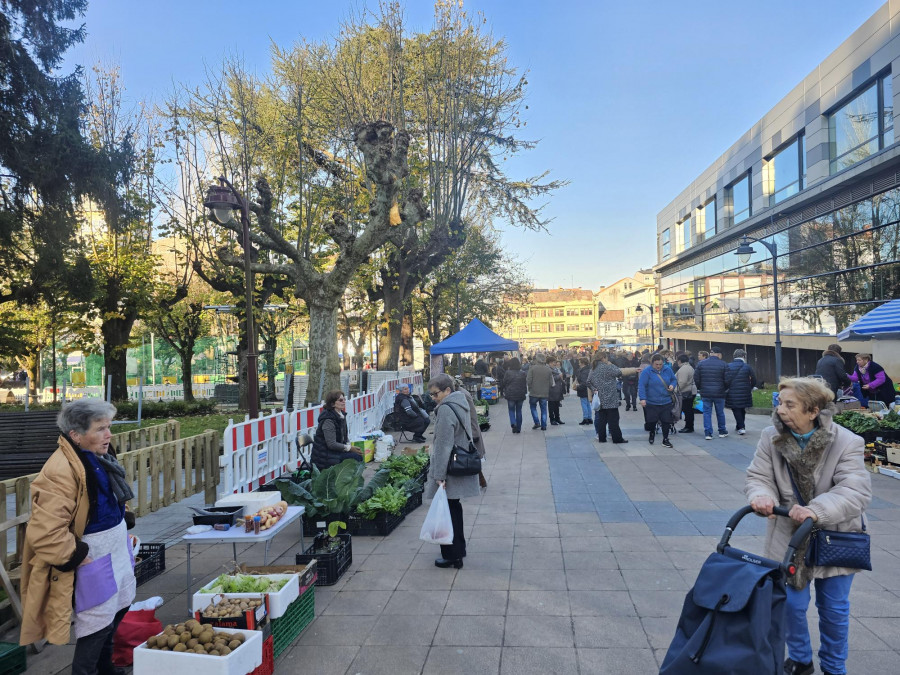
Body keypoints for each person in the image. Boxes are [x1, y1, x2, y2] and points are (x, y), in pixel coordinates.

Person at [746, 377, 871, 675]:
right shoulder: (770, 437)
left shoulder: (847, 441)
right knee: (790, 604)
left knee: (834, 610)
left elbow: (855, 491)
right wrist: (762, 496)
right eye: (780, 403)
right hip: (789, 536)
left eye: (790, 405)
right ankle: (801, 660)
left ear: (813, 410)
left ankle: (834, 667)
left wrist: (815, 511)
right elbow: (759, 476)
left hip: (835, 536)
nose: (781, 411)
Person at [20, 399, 137, 675]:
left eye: (109, 427)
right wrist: (77, 557)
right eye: (100, 429)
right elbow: (46, 530)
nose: (109, 434)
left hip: (114, 549)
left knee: (117, 611)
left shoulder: (98, 454)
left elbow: (112, 493)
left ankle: (106, 669)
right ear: (76, 435)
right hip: (92, 555)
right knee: (95, 625)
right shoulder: (60, 470)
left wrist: (123, 520)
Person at [425, 374, 481, 569]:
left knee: (448, 513)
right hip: (457, 464)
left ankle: (452, 555)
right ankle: (460, 549)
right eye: (431, 394)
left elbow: (443, 445)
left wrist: (439, 475)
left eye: (435, 394)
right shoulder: (460, 402)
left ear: (447, 391)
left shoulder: (446, 410)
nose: (433, 397)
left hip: (448, 468)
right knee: (454, 509)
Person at [587, 351, 635, 444]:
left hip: (600, 398)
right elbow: (618, 372)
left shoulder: (593, 368)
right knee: (613, 420)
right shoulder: (608, 367)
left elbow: (588, 381)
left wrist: (594, 389)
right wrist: (611, 364)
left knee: (602, 420)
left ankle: (602, 438)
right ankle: (617, 438)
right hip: (611, 398)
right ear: (603, 358)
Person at [311, 391, 363, 469]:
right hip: (324, 457)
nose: (344, 402)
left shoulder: (340, 415)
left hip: (333, 453)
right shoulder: (328, 420)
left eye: (344, 399)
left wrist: (349, 446)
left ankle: (350, 480)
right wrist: (349, 448)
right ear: (332, 404)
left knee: (358, 456)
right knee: (356, 457)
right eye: (340, 400)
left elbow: (344, 437)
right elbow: (331, 444)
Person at [638, 353, 678, 447]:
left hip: (666, 401)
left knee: (666, 421)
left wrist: (672, 385)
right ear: (652, 363)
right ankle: (652, 432)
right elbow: (642, 385)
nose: (659, 366)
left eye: (660, 364)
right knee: (651, 421)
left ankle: (665, 439)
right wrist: (642, 398)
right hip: (652, 402)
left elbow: (674, 379)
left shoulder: (667, 370)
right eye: (656, 364)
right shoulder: (647, 371)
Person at [694, 346, 730, 440]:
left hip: (705, 392)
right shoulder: (724, 364)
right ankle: (722, 431)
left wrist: (700, 387)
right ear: (719, 354)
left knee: (707, 412)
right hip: (720, 393)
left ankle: (708, 433)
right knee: (720, 412)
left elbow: (696, 378)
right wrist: (724, 388)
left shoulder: (701, 364)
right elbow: (727, 380)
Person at [725, 349, 757, 435]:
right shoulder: (747, 366)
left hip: (732, 391)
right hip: (745, 391)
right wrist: (750, 387)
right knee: (742, 408)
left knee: (736, 408)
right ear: (744, 356)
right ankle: (740, 425)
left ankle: (741, 427)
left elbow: (726, 379)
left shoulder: (728, 366)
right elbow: (754, 379)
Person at [526, 353, 553, 430]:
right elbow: (551, 383)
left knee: (533, 407)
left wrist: (530, 388)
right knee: (544, 409)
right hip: (544, 393)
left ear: (537, 359)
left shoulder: (532, 368)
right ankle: (544, 425)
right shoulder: (548, 369)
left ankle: (537, 422)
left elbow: (528, 380)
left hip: (534, 392)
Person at [502, 358, 527, 433]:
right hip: (520, 394)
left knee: (511, 410)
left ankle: (513, 423)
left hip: (510, 394)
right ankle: (518, 428)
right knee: (519, 411)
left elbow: (504, 382)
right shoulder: (523, 373)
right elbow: (524, 384)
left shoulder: (508, 373)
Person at [675, 354, 696, 433]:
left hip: (686, 392)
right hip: (689, 391)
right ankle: (689, 426)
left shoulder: (684, 369)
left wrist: (675, 390)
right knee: (689, 410)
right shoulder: (689, 367)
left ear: (679, 360)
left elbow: (682, 382)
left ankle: (689, 426)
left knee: (687, 410)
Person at [547, 357, 566, 425]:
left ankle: (557, 418)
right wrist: (559, 376)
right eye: (554, 362)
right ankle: (552, 419)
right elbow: (550, 379)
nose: (555, 364)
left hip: (557, 390)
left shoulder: (555, 369)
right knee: (551, 406)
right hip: (551, 390)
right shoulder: (548, 369)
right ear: (550, 363)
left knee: (557, 406)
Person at [574, 357, 593, 424]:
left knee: (584, 404)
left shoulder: (583, 371)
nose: (578, 363)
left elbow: (584, 382)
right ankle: (589, 418)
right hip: (588, 389)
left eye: (579, 362)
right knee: (588, 404)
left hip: (584, 390)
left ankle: (586, 418)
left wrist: (578, 387)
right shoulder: (588, 369)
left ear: (582, 363)